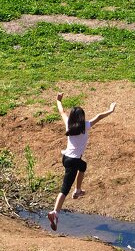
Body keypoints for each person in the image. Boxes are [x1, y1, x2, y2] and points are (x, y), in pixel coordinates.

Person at [46, 92, 117, 231]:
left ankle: (78, 190)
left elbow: (61, 111)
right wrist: (111, 109)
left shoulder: (68, 124)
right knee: (64, 189)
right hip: (72, 161)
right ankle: (55, 212)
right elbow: (99, 117)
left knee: (83, 165)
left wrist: (58, 100)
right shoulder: (85, 125)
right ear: (82, 117)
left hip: (66, 159)